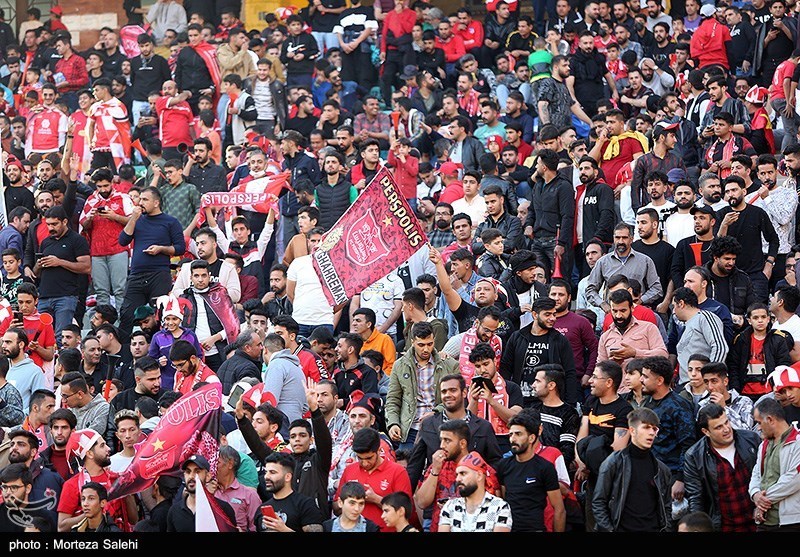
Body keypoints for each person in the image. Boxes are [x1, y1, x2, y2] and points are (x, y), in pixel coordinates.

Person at [117, 187, 186, 338]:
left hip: (159, 274)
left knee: (160, 314)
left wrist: (161, 249)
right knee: (127, 314)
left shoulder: (170, 222)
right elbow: (123, 240)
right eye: (140, 199)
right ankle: (124, 353)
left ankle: (160, 345)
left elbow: (180, 248)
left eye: (145, 200)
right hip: (136, 274)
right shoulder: (137, 220)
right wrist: (133, 219)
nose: (140, 203)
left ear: (156, 203)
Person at [592, 407, 672, 532]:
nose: (651, 432)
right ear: (632, 431)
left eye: (654, 428)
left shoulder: (662, 469)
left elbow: (666, 505)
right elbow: (599, 502)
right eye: (646, 427)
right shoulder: (613, 463)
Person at [683, 402, 761, 532]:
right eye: (718, 427)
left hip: (758, 521)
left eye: (726, 422)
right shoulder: (694, 456)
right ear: (706, 431)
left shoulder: (751, 439)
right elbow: (696, 497)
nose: (726, 429)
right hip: (724, 526)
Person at [386, 322, 459, 450]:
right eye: (421, 345)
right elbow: (393, 399)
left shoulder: (449, 364)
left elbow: (457, 398)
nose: (426, 349)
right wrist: (393, 424)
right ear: (412, 342)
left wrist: (436, 412)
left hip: (440, 428)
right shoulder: (400, 365)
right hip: (409, 429)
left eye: (429, 344)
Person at [500, 297, 578, 407]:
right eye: (547, 314)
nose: (552, 318)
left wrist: (570, 403)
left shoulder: (560, 340)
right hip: (520, 401)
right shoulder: (517, 337)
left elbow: (569, 371)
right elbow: (506, 368)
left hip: (548, 402)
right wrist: (506, 394)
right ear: (535, 315)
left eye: (554, 314)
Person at [495, 411, 566, 532]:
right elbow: (502, 501)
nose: (513, 439)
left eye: (518, 434)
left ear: (531, 438)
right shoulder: (503, 466)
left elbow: (559, 509)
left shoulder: (545, 468)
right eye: (511, 434)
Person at [641, 356, 697, 505]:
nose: (641, 380)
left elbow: (689, 445)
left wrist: (680, 479)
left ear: (659, 381)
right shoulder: (647, 403)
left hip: (671, 477)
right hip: (649, 474)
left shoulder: (679, 406)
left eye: (645, 376)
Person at [336, 427, 412, 532]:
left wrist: (376, 499)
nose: (365, 463)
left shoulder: (398, 472)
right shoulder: (349, 470)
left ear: (379, 450)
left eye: (369, 458)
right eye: (360, 458)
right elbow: (336, 506)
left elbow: (406, 512)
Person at [586, 222, 663, 311]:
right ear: (613, 239)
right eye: (617, 238)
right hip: (612, 314)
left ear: (631, 239)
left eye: (624, 238)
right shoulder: (603, 262)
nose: (620, 241)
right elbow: (590, 290)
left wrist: (640, 301)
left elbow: (657, 288)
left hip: (637, 312)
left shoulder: (645, 261)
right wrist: (603, 305)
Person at [750, 397, 800, 531]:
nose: (758, 428)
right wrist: (755, 494)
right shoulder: (763, 445)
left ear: (770, 420)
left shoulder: (798, 442)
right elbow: (756, 474)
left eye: (759, 423)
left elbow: (793, 480)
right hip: (764, 521)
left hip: (790, 522)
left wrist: (761, 502)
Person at [523, 148, 574, 276]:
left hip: (555, 240)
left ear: (544, 167)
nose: (535, 167)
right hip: (537, 240)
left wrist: (562, 243)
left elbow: (567, 217)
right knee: (538, 278)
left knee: (559, 280)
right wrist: (529, 224)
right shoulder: (538, 185)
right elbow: (532, 210)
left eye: (538, 164)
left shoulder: (564, 186)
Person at [466, 343, 524, 454]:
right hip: (476, 445)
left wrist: (491, 401)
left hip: (505, 445)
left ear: (495, 361)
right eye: (478, 366)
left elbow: (516, 419)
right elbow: (467, 424)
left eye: (486, 364)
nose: (482, 370)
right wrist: (473, 400)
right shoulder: (469, 390)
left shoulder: (511, 387)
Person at [728, 302, 793, 400]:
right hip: (744, 392)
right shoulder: (741, 339)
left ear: (768, 319)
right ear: (749, 321)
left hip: (770, 392)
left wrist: (777, 387)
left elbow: (783, 365)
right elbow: (733, 366)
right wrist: (736, 389)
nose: (760, 321)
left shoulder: (778, 339)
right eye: (755, 318)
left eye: (763, 317)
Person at [254, 452, 325, 532]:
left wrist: (283, 529)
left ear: (287, 477)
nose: (266, 477)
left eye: (272, 472)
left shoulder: (305, 505)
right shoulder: (261, 509)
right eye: (266, 472)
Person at [166, 454, 237, 532]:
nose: (191, 476)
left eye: (197, 471)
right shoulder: (174, 511)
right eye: (188, 472)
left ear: (208, 476)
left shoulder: (223, 509)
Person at [698, 362, 755, 431]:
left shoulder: (744, 402)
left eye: (714, 381)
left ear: (725, 381)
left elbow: (746, 432)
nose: (710, 387)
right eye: (706, 382)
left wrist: (724, 408)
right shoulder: (703, 405)